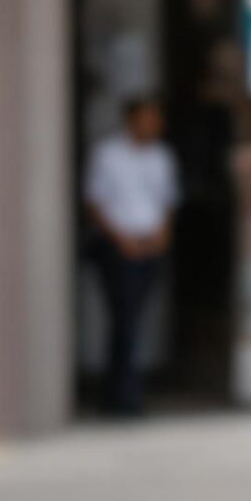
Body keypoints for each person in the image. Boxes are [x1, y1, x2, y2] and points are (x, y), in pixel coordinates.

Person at [86, 96, 179, 419]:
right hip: (118, 246)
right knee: (123, 320)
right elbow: (96, 202)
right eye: (148, 118)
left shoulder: (161, 157)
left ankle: (123, 391)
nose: (154, 124)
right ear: (132, 120)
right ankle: (122, 395)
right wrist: (121, 239)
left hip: (149, 244)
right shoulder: (108, 155)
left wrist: (162, 234)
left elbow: (166, 200)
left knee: (136, 320)